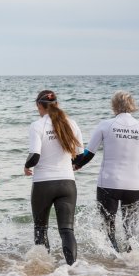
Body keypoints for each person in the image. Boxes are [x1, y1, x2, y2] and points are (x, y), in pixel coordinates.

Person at [73, 91, 139, 252]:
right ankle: (130, 263)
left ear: (113, 106)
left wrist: (75, 165)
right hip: (134, 186)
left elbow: (88, 153)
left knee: (108, 229)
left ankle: (115, 263)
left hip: (109, 184)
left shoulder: (105, 125)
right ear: (132, 106)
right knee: (131, 231)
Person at [24, 90, 82, 266]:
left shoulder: (37, 125)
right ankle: (72, 269)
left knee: (41, 229)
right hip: (67, 184)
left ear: (39, 106)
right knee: (67, 230)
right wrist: (73, 165)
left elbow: (35, 155)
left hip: (43, 185)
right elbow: (80, 156)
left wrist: (27, 166)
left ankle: (44, 270)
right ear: (56, 104)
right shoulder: (71, 124)